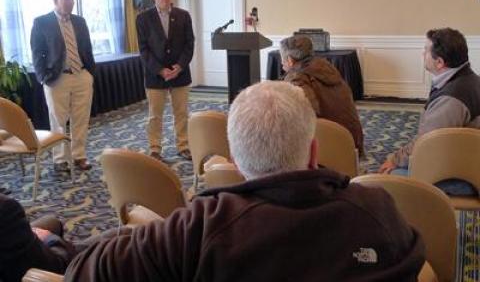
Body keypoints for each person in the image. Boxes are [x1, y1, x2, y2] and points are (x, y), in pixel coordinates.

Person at [65, 81, 424, 281]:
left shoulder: (196, 227)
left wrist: (115, 237)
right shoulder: (377, 210)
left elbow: (84, 272)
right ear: (313, 152)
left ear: (234, 162)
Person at [379, 28, 480, 174]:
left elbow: (426, 143)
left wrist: (395, 160)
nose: (422, 54)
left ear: (439, 62)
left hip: (465, 170)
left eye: (426, 50)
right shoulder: (468, 79)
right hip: (468, 157)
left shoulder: (451, 100)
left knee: (391, 178)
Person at [30, 0, 95, 171]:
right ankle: (60, 160)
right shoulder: (42, 22)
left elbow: (87, 49)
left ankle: (79, 156)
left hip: (81, 75)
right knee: (58, 120)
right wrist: (43, 77)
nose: (70, 2)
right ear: (55, 1)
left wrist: (90, 73)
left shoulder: (80, 22)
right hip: (56, 78)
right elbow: (37, 53)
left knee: (81, 119)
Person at [136, 0, 195, 161]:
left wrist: (180, 66)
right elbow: (143, 50)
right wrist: (160, 70)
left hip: (180, 73)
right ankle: (155, 148)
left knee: (182, 113)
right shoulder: (143, 19)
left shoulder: (183, 15)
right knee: (155, 116)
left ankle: (183, 145)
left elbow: (189, 44)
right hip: (155, 75)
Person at [280, 35, 365, 156]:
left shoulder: (297, 78)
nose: (281, 62)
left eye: (282, 58)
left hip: (330, 147)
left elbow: (308, 113)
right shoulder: (326, 67)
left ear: (290, 60)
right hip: (353, 142)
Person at [0, 194, 76, 281]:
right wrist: (49, 238)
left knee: (52, 222)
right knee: (91, 248)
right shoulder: (5, 207)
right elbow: (56, 267)